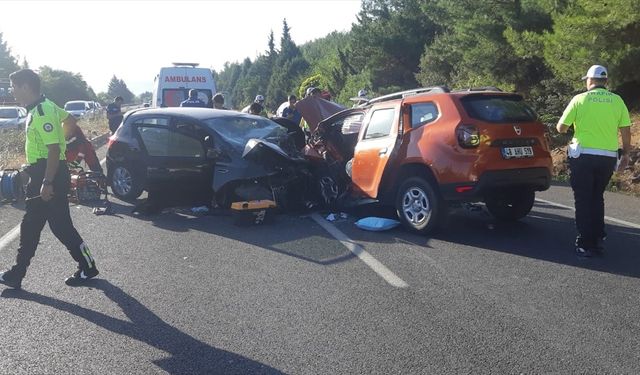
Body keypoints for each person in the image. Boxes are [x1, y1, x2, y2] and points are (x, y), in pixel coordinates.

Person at [0, 69, 99, 289]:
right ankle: (18, 273)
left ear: (25, 87)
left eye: (14, 87)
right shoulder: (45, 105)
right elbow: (70, 121)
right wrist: (59, 143)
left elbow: (53, 149)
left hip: (48, 173)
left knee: (49, 226)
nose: (12, 91)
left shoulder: (43, 111)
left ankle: (18, 273)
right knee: (40, 225)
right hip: (47, 171)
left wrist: (47, 181)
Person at [556, 64, 632, 258]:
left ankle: (585, 243)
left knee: (583, 199)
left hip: (583, 157)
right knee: (597, 197)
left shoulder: (580, 99)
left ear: (589, 81)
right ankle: (598, 239)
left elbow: (561, 128)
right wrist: (625, 155)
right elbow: (625, 130)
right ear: (605, 81)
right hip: (607, 157)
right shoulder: (617, 100)